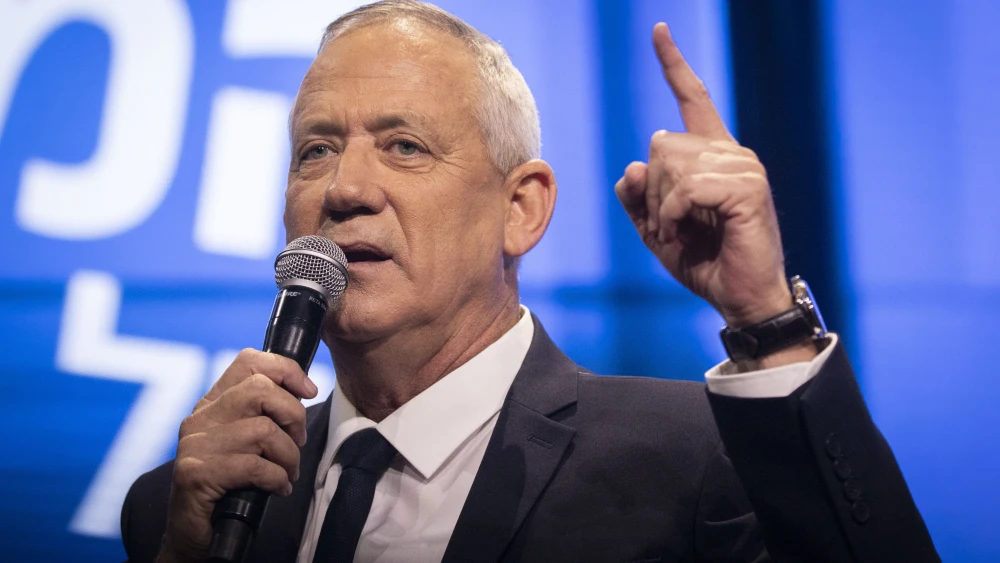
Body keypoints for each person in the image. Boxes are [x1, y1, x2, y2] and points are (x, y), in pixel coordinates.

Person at [120, 1, 939, 562]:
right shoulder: (183, 508)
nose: (344, 188)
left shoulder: (695, 459)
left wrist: (766, 319)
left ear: (522, 209)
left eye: (404, 145)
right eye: (315, 150)